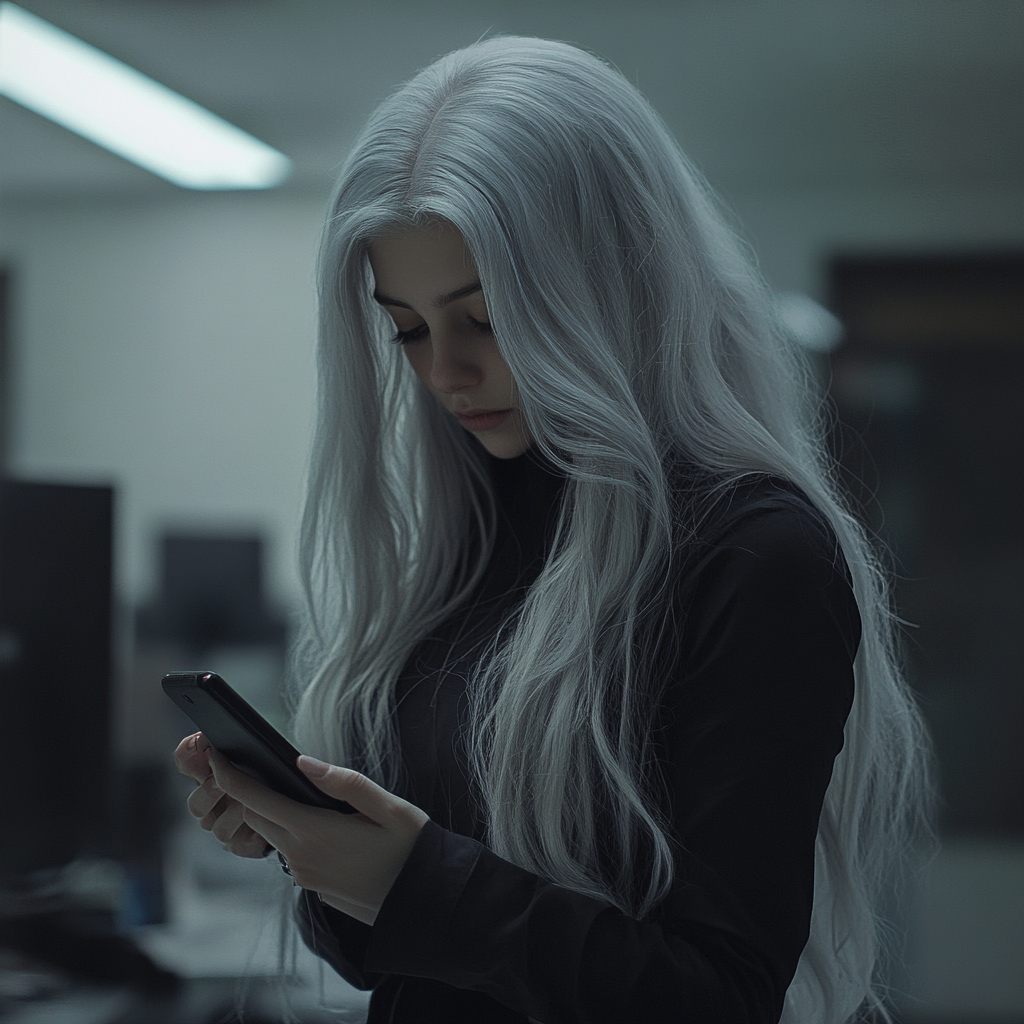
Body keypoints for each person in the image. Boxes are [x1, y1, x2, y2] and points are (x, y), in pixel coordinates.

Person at [175, 35, 938, 1024]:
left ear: (604, 285)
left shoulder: (756, 557)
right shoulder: (471, 545)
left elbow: (716, 997)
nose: (442, 373)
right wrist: (321, 848)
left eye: (483, 319)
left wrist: (413, 881)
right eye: (406, 328)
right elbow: (403, 959)